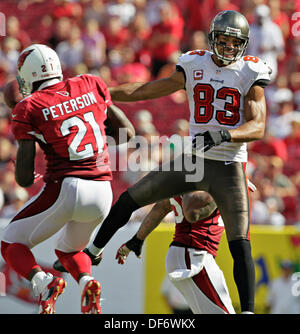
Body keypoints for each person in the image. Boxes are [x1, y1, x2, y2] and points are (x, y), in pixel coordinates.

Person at [85, 10, 271, 314]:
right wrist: (105, 95)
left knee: (240, 240)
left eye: (233, 42)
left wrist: (224, 135)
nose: (226, 48)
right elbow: (147, 89)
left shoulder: (250, 72)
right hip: (194, 159)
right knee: (132, 197)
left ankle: (248, 311)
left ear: (244, 44)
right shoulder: (194, 63)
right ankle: (93, 250)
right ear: (212, 39)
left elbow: (258, 126)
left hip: (228, 164)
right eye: (222, 41)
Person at [0, 44, 135, 314]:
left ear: (27, 75)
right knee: (68, 250)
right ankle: (87, 281)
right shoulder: (90, 82)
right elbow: (128, 134)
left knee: (9, 243)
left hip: (67, 186)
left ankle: (43, 282)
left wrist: (41, 142)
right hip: (102, 192)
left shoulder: (28, 107)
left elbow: (25, 179)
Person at [115, 190, 236, 314]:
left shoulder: (179, 176)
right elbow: (192, 210)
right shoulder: (206, 179)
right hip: (194, 255)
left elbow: (161, 207)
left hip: (187, 254)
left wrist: (137, 240)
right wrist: (229, 186)